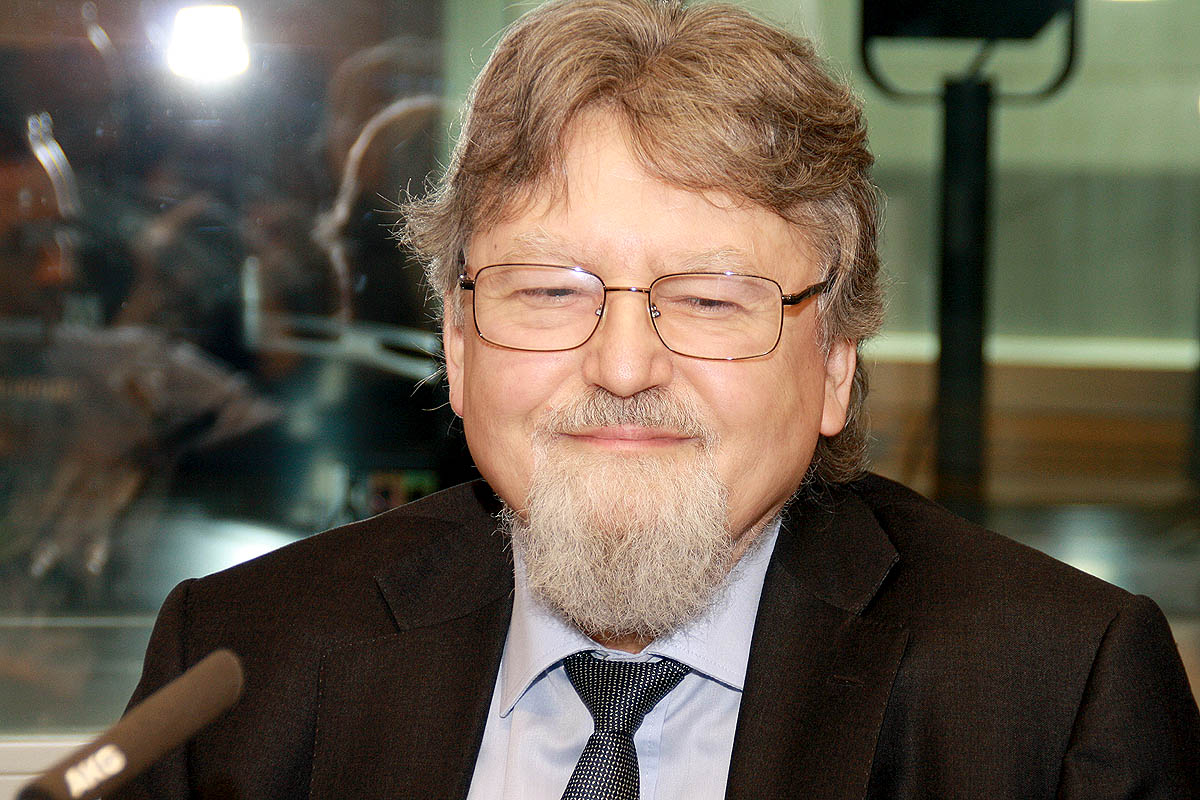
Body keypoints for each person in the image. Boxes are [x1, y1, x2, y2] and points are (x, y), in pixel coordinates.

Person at [114, 1, 1200, 798]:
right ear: (457, 341)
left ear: (834, 360)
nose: (624, 365)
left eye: (713, 299)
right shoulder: (237, 667)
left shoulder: (1058, 698)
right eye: (550, 292)